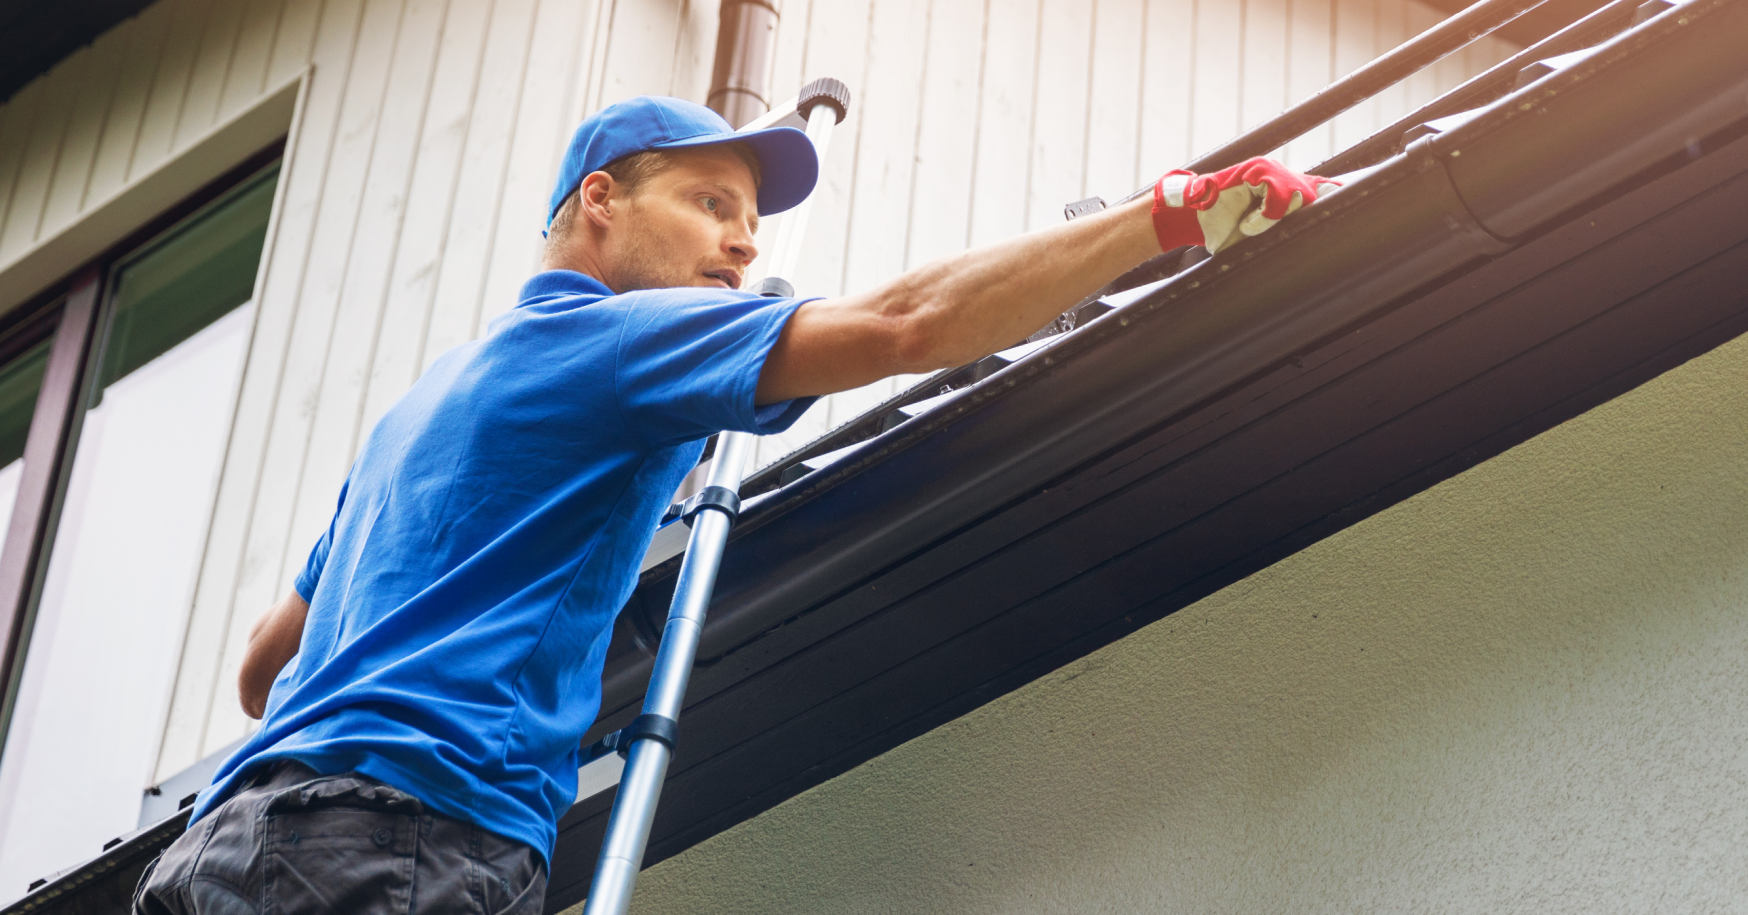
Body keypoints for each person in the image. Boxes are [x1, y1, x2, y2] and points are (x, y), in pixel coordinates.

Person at [132, 95, 1335, 915]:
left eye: (751, 229)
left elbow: (262, 669)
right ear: (599, 199)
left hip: (232, 851)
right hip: (400, 847)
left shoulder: (419, 409)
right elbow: (906, 325)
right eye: (712, 206)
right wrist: (1164, 215)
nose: (741, 249)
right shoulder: (614, 342)